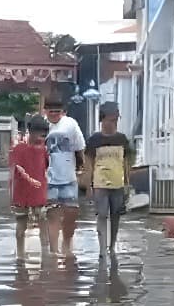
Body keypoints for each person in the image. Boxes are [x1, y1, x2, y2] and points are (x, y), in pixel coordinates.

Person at [85, 102, 135, 255]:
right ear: (102, 120)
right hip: (100, 183)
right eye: (110, 120)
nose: (113, 124)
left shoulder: (122, 139)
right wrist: (89, 186)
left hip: (118, 182)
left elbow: (126, 162)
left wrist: (127, 183)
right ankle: (102, 248)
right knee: (101, 214)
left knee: (116, 215)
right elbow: (89, 164)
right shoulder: (94, 140)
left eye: (115, 120)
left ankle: (112, 245)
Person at [43, 99, 87, 258]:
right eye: (50, 110)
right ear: (45, 111)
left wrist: (83, 170)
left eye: (57, 111)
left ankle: (67, 243)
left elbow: (80, 148)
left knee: (71, 213)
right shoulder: (41, 126)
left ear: (63, 111)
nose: (54, 114)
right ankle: (54, 250)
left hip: (69, 177)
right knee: (52, 214)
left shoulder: (70, 124)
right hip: (49, 179)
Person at [9, 115, 51, 262]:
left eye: (44, 134)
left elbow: (46, 168)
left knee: (43, 227)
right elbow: (14, 172)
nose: (41, 136)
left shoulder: (45, 150)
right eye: (39, 133)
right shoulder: (19, 149)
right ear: (31, 132)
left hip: (39, 194)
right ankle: (20, 256)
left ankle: (45, 255)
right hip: (22, 194)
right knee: (21, 227)